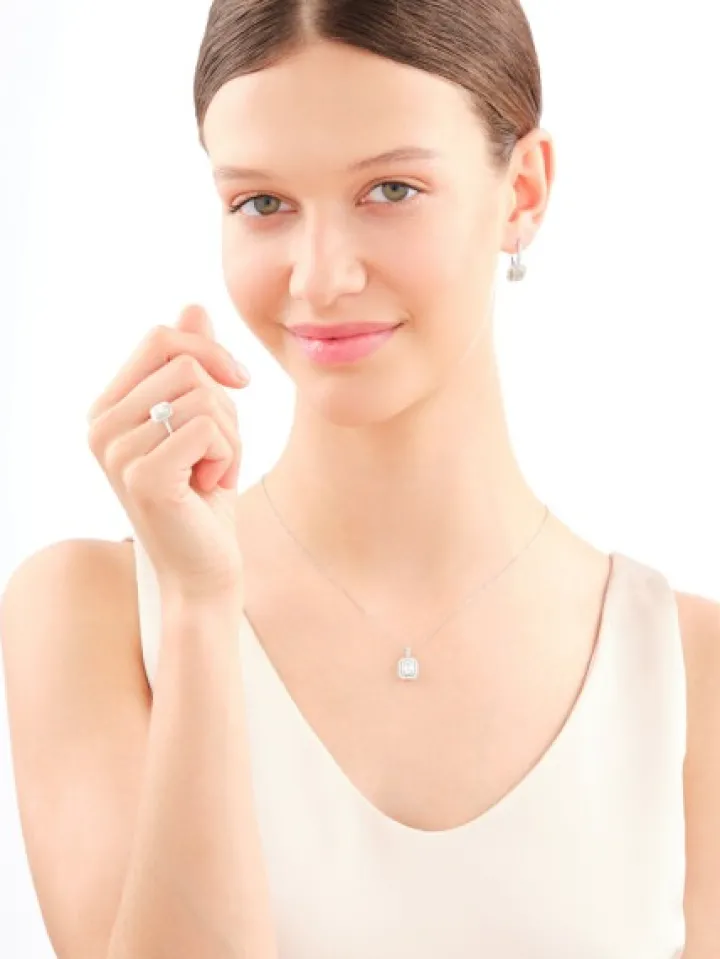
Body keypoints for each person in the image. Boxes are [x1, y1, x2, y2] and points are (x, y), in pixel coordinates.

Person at [1, 0, 719, 956]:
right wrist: (202, 611)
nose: (319, 277)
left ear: (523, 191)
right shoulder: (92, 616)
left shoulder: (689, 671)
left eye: (390, 189)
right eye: (262, 203)